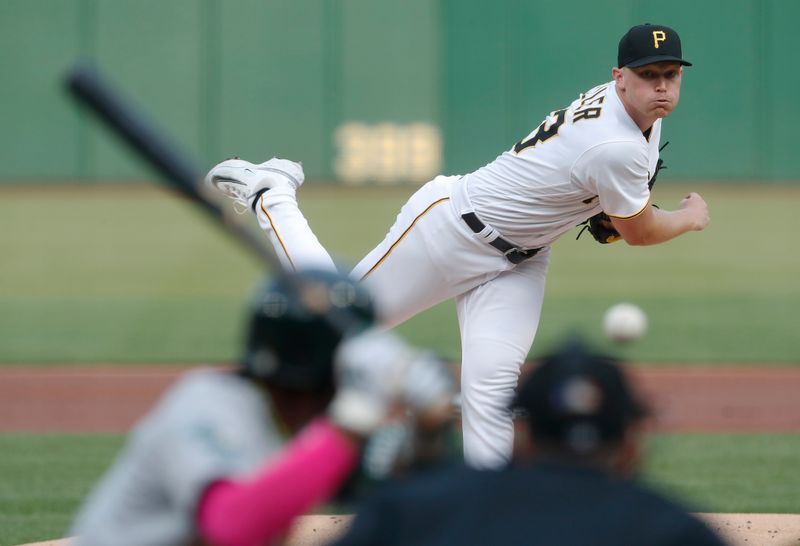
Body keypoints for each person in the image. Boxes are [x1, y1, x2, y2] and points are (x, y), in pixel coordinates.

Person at [205, 23, 710, 468]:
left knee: (489, 391)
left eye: (671, 74)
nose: (661, 85)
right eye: (648, 74)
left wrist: (599, 205)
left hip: (519, 261)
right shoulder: (616, 144)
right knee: (332, 322)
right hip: (449, 229)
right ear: (619, 76)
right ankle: (272, 196)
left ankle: (484, 516)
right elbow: (639, 232)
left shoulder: (639, 116)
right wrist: (688, 218)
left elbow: (606, 199)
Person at [69, 269, 454, 546]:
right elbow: (230, 526)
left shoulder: (303, 428)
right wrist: (358, 414)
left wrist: (427, 426)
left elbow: (390, 496)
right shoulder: (206, 403)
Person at [330, 336, 730, 546]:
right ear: (630, 446)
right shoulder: (675, 531)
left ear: (522, 436)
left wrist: (415, 472)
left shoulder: (419, 513)